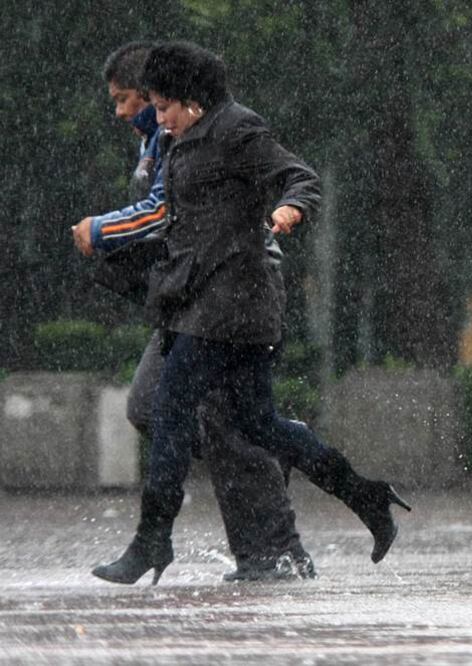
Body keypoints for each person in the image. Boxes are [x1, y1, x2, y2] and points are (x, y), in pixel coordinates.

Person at [91, 41, 410, 586]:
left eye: (162, 106)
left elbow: (299, 176)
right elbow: (174, 216)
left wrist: (289, 208)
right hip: (202, 300)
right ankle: (366, 496)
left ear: (190, 98)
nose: (157, 118)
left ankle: (152, 541)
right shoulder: (178, 140)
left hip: (232, 303)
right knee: (256, 424)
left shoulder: (237, 128)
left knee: (172, 409)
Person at [73, 42, 316, 581]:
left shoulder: (208, 135)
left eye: (129, 99)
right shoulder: (161, 141)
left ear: (163, 97)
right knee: (151, 407)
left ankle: (276, 554)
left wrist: (102, 230)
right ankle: (276, 443)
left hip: (230, 293)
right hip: (186, 295)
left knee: (221, 420)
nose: (122, 111)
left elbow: (163, 212)